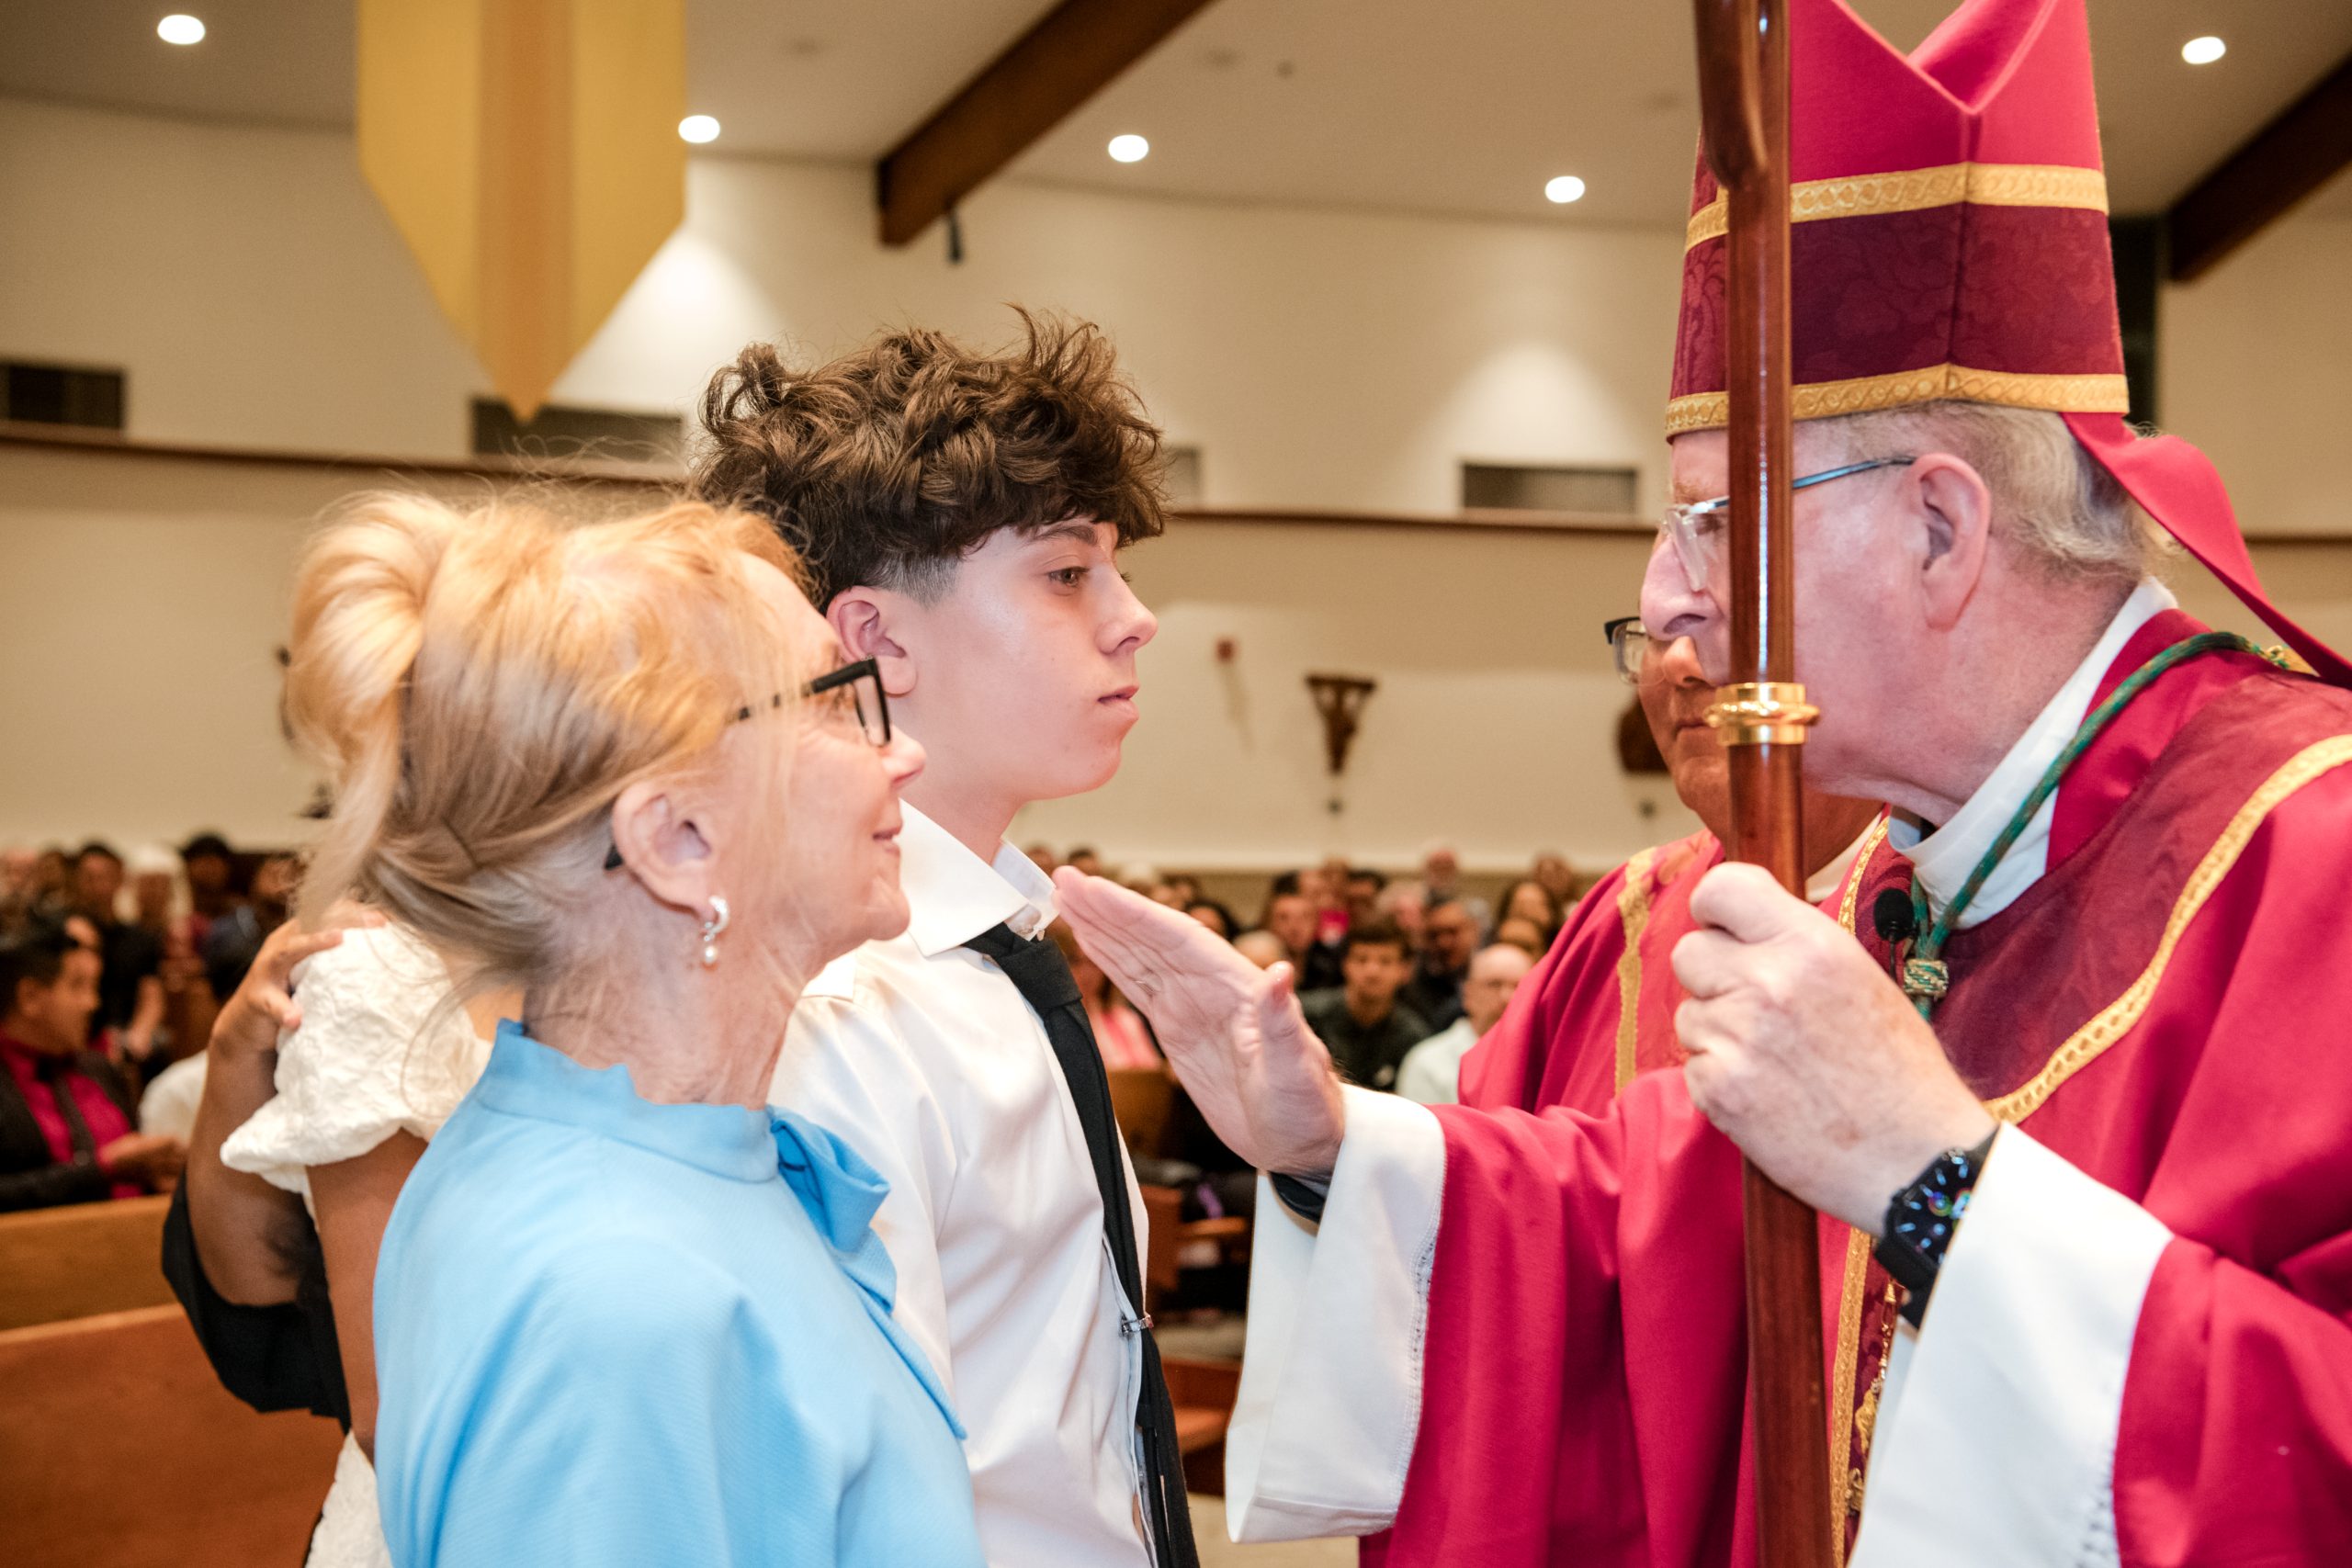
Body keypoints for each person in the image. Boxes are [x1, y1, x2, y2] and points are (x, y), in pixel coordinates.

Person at [1060, 2, 2352, 1562]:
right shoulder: (1917, 880)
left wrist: (1939, 1186)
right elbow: (1639, 1228)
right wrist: (1334, 1139)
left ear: (1940, 528)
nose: (1663, 602)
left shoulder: (2311, 853)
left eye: (1712, 523)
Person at [274, 493, 970, 1568]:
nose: (903, 754)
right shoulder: (613, 1295)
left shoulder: (661, 1166)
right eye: (837, 701)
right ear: (677, 838)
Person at [694, 312, 1195, 1568]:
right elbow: (854, 1491)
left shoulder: (988, 938)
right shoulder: (834, 1002)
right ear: (877, 641)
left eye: (1115, 569)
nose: (1134, 618)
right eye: (1068, 573)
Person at [1461, 615, 1879, 1115]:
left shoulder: (1946, 899)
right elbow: (1490, 1135)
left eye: (1725, 617)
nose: (1678, 661)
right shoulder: (1623, 912)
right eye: (1658, 634)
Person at [0, 921, 184, 1209]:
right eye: (77, 986)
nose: (92, 1003)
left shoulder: (100, 1070)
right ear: (30, 997)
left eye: (93, 987)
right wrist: (100, 1170)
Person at [1395, 943, 1533, 1106]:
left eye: (1520, 986)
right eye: (1494, 984)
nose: (1506, 997)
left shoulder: (1542, 1061)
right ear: (1468, 993)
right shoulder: (1427, 1062)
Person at [1296, 920, 1426, 1093]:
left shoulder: (1413, 1037)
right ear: (1345, 964)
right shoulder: (1305, 1015)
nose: (1372, 971)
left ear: (1405, 970)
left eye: (1385, 961)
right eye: (1361, 959)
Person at [69, 841, 165, 1064]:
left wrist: (139, 1034)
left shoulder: (140, 939)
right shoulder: (65, 937)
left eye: (104, 877)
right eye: (89, 878)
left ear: (120, 880)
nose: (97, 886)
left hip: (126, 1035)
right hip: (78, 1034)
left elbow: (152, 997)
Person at [1051, 921, 1159, 1071]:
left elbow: (1152, 1075)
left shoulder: (1126, 1020)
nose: (1086, 973)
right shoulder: (1053, 1023)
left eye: (1093, 963)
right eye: (1076, 961)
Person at [1399, 897, 1478, 1032]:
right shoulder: (1411, 986)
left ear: (1473, 931)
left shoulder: (1490, 978)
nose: (1443, 943)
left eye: (1452, 932)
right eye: (1434, 935)